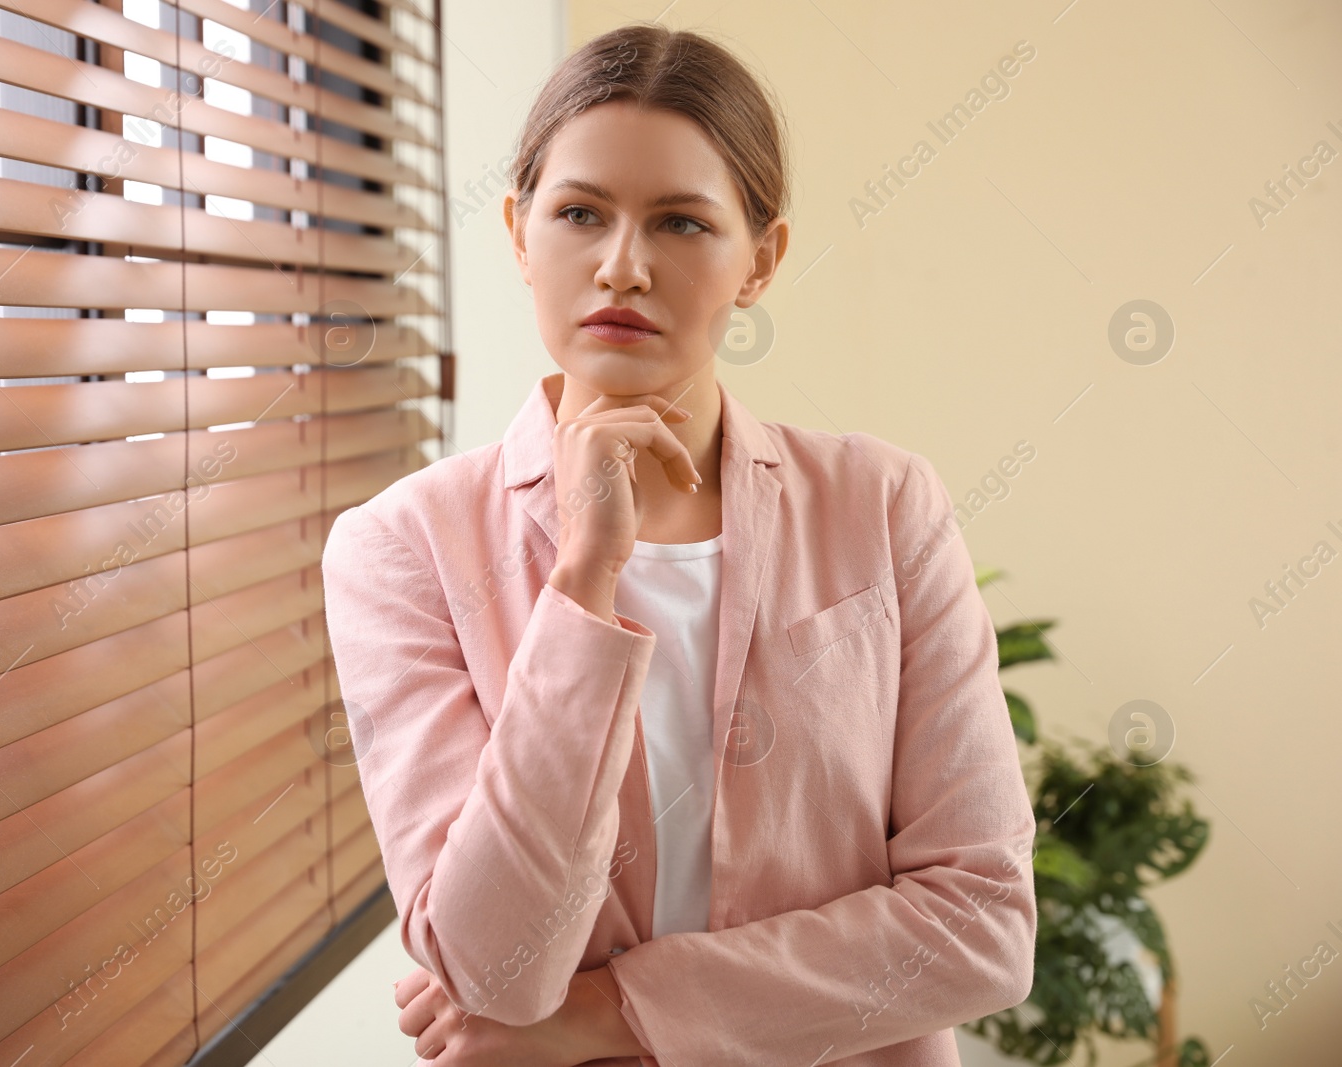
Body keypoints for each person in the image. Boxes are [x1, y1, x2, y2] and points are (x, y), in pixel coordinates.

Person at [320, 22, 1036, 1067]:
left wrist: (607, 1014)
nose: (621, 266)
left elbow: (980, 926)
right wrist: (583, 576)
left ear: (761, 260)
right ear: (519, 233)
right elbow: (496, 967)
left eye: (681, 224)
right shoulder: (402, 547)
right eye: (578, 214)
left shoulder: (883, 506)